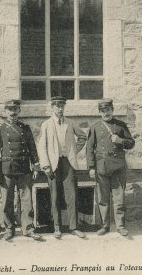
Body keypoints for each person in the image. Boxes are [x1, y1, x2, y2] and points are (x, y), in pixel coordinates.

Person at [0, 100, 41, 241]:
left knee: (26, 200)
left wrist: (35, 166)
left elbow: (32, 148)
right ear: (5, 112)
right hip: (7, 169)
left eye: (15, 109)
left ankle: (28, 228)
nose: (13, 112)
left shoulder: (25, 128)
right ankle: (9, 229)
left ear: (19, 111)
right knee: (7, 201)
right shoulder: (0, 129)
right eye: (10, 110)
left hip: (24, 167)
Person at [38, 96, 87, 239]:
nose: (60, 109)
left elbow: (83, 137)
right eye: (57, 106)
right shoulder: (46, 124)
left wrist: (73, 151)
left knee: (71, 195)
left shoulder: (70, 123)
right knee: (55, 196)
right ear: (52, 108)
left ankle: (73, 227)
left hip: (68, 163)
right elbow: (42, 147)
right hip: (53, 164)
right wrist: (46, 165)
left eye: (62, 106)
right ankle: (57, 228)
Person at [86, 98, 135, 237]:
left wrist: (120, 141)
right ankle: (105, 226)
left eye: (108, 110)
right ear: (99, 112)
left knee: (119, 198)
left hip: (118, 166)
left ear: (112, 110)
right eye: (102, 111)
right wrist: (91, 167)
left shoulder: (121, 125)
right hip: (101, 166)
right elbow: (89, 148)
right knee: (103, 198)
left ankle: (120, 226)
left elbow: (131, 143)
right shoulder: (94, 127)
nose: (105, 113)